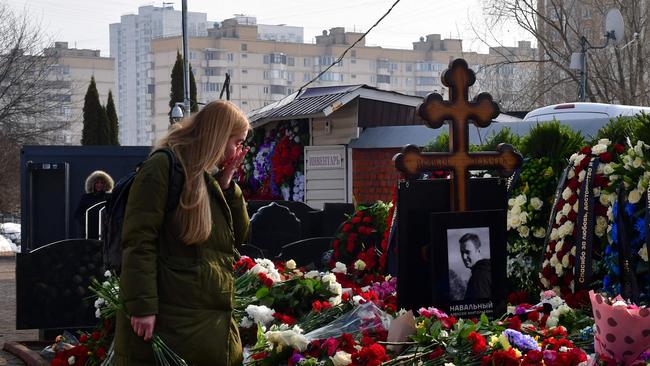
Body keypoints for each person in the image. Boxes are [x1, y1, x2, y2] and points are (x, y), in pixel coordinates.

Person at [114, 100, 251, 366]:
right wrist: (142, 307)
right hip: (171, 321)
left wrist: (227, 182)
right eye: (237, 142)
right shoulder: (163, 167)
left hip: (200, 323)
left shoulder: (209, 178)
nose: (238, 151)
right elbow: (138, 241)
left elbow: (238, 236)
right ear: (219, 136)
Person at [74, 170, 113, 238]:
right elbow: (77, 214)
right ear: (92, 184)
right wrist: (86, 222)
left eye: (102, 183)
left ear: (106, 184)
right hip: (89, 231)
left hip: (104, 231)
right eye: (97, 183)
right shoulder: (86, 197)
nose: (99, 185)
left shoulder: (109, 197)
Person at [459, 232, 491, 300]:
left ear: (478, 251)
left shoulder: (479, 276)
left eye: (468, 252)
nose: (464, 257)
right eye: (462, 252)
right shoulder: (486, 269)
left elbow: (482, 307)